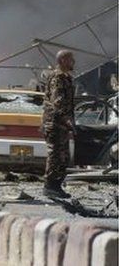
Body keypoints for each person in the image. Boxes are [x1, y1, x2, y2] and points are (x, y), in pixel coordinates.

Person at [42, 50, 76, 199]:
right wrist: (66, 119)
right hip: (55, 123)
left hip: (61, 123)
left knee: (64, 156)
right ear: (62, 60)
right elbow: (58, 102)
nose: (73, 62)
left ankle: (56, 186)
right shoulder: (58, 77)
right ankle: (50, 186)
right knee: (56, 155)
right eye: (70, 59)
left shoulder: (66, 78)